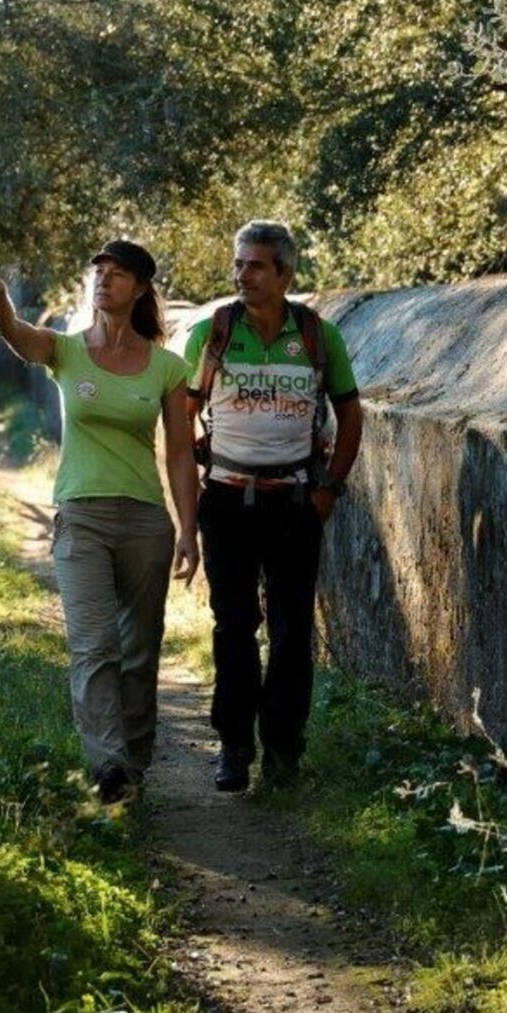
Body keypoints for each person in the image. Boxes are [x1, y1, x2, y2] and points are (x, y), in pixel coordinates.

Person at [0, 241, 199, 803]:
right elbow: (17, 336)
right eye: (99, 272)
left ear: (139, 288)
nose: (104, 281)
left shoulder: (168, 367)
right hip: (81, 518)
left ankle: (134, 764)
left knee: (140, 651)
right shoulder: (66, 351)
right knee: (95, 646)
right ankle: (108, 767)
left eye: (117, 274)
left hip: (145, 522)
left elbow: (179, 453)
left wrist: (188, 529)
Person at [184, 220, 362, 792]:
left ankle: (284, 752)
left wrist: (330, 487)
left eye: (255, 266)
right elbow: (182, 414)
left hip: (294, 501)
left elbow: (350, 413)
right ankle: (235, 747)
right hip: (227, 500)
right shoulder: (212, 332)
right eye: (238, 264)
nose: (243, 275)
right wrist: (190, 489)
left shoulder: (317, 336)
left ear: (284, 273)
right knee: (234, 624)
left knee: (292, 630)